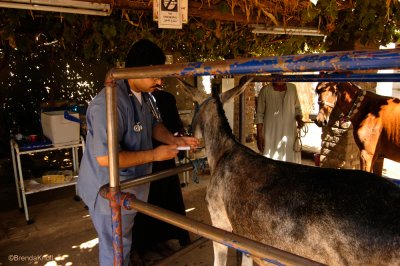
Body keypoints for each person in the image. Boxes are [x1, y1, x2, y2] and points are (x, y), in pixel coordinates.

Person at [77, 39, 199, 266]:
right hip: (107, 190)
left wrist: (174, 140)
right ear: (134, 70)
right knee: (114, 249)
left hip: (130, 186)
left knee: (123, 243)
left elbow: (155, 125)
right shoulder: (108, 104)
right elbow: (105, 158)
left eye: (161, 75)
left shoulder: (147, 97)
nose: (160, 81)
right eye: (154, 75)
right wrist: (155, 155)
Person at [132, 87, 191, 259]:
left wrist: (177, 141)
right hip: (143, 159)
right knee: (145, 201)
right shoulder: (127, 101)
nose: (158, 81)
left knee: (162, 197)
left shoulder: (160, 99)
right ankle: (142, 244)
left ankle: (153, 241)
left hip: (162, 156)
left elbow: (161, 126)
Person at [255, 77, 304, 163]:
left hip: (289, 133)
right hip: (270, 134)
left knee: (289, 161)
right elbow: (259, 114)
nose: (278, 76)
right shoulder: (265, 90)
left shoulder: (292, 88)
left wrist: (299, 119)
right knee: (270, 161)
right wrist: (259, 136)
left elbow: (297, 109)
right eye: (275, 74)